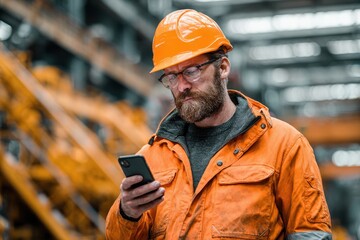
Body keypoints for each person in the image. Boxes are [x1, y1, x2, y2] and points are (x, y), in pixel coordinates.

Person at [106, 9, 332, 239]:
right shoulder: (153, 156)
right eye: (171, 77)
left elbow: (310, 234)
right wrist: (127, 213)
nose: (181, 86)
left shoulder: (285, 146)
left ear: (223, 67)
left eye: (191, 71)